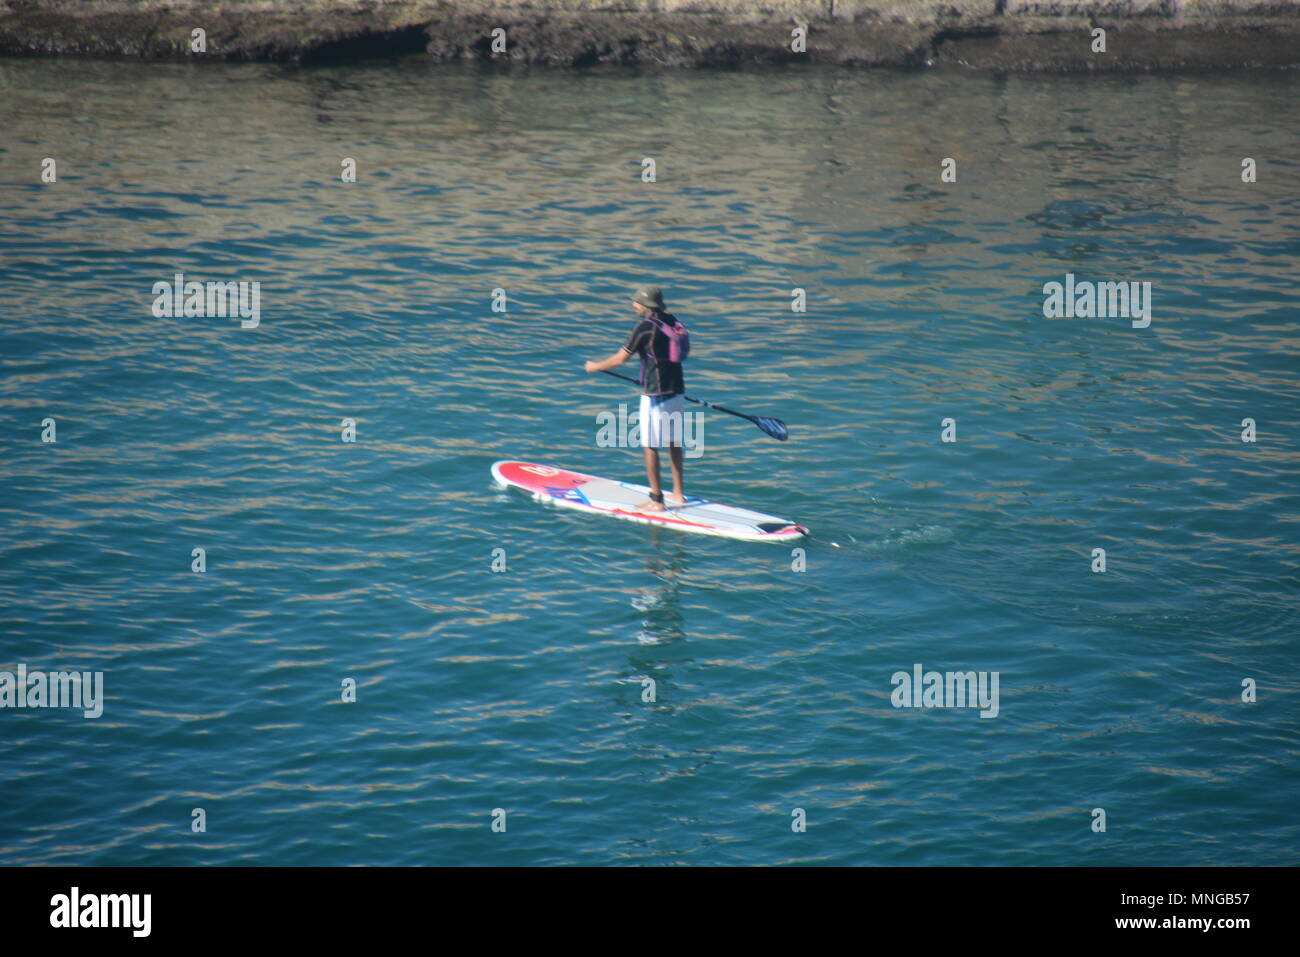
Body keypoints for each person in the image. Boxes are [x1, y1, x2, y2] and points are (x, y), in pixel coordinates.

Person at [584, 286, 688, 512]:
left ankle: (656, 500)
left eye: (636, 303)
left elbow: (620, 359)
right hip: (677, 390)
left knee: (650, 446)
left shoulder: (643, 328)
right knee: (674, 442)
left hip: (655, 396)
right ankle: (678, 494)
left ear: (647, 305)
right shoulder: (673, 320)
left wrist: (595, 367)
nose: (633, 306)